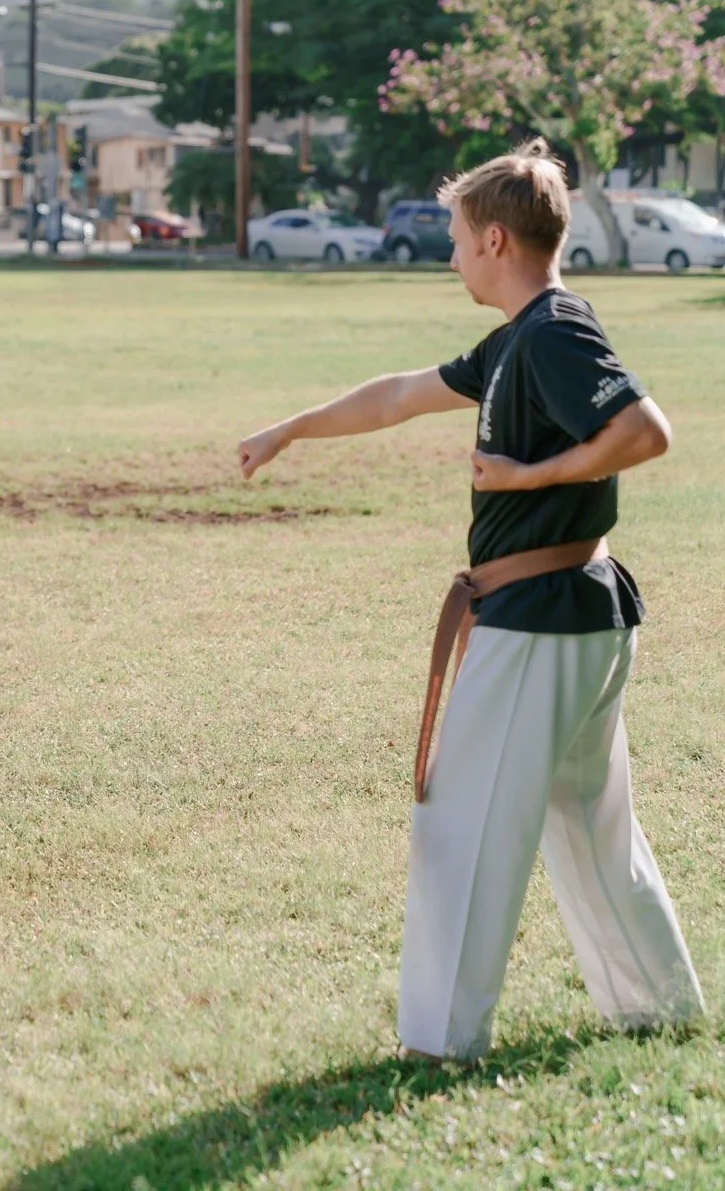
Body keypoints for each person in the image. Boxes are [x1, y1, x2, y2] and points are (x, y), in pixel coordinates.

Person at [237, 139, 704, 1061]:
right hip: (573, 615)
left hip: (540, 618)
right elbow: (402, 395)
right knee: (584, 820)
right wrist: (294, 427)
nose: (449, 255)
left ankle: (442, 1040)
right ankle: (657, 1008)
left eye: (455, 238)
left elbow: (645, 434)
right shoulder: (515, 340)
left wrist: (531, 478)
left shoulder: (556, 331)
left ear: (495, 239)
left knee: (462, 823)